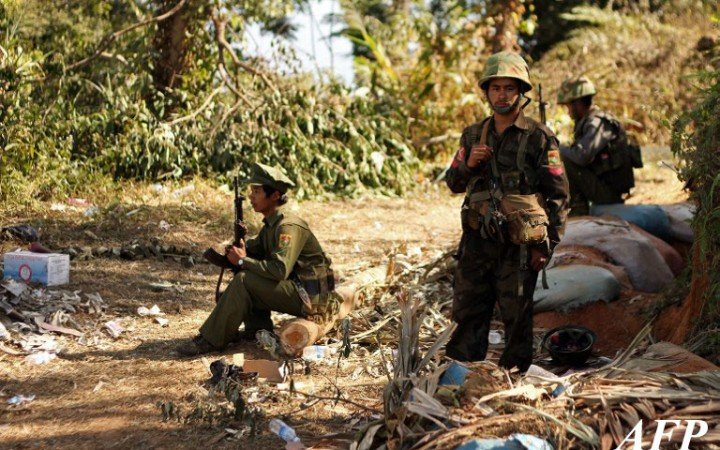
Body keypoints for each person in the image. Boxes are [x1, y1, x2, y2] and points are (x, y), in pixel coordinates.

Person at [444, 51, 570, 372]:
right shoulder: (473, 135)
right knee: (470, 308)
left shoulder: (539, 137)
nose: (502, 95)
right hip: (477, 241)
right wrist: (469, 163)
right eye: (496, 88)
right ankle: (462, 374)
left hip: (519, 245)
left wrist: (547, 246)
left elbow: (558, 195)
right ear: (486, 92)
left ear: (520, 92)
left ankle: (514, 379)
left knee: (516, 315)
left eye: (509, 88)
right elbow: (453, 182)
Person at [178, 163, 340, 356]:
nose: (251, 196)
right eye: (251, 191)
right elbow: (254, 253)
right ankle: (256, 330)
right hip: (301, 291)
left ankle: (210, 340)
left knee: (245, 279)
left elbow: (279, 270)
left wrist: (242, 261)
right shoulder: (271, 226)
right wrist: (239, 248)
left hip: (313, 299)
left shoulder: (288, 227)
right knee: (247, 272)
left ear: (274, 196)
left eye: (257, 191)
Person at [557, 76, 641, 216]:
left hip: (609, 194)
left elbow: (581, 156)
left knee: (563, 157)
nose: (568, 111)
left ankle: (578, 209)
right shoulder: (590, 121)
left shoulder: (598, 123)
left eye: (568, 106)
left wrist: (558, 147)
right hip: (604, 188)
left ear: (578, 103)